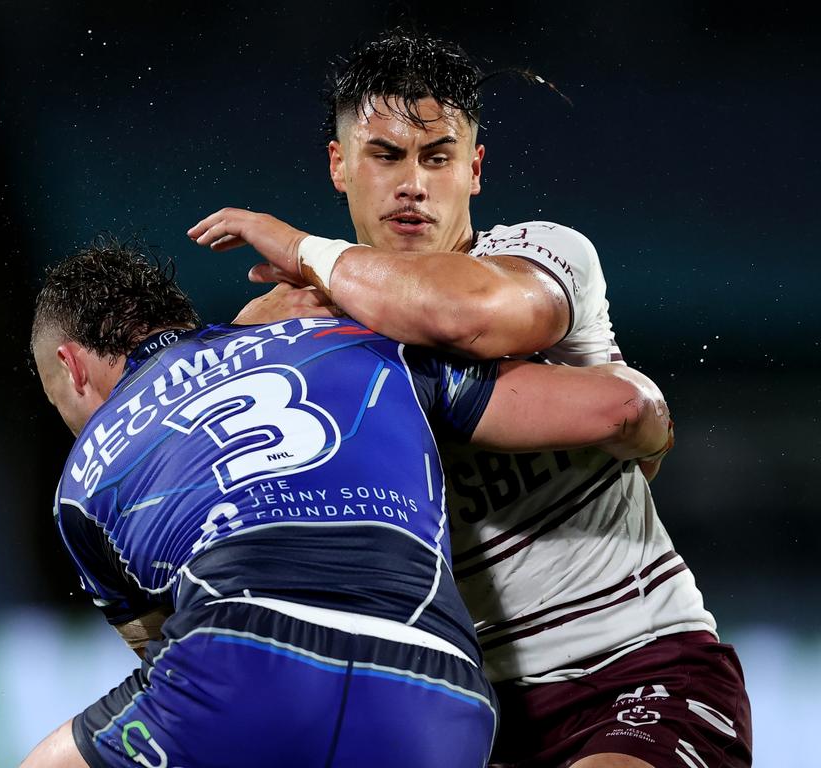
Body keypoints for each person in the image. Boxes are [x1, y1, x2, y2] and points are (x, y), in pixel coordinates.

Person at [187, 29, 752, 768]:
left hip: (633, 669)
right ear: (339, 164)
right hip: (459, 712)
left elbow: (468, 317)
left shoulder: (540, 255)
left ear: (475, 169)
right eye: (386, 156)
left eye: (438, 157)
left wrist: (303, 250)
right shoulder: (289, 334)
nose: (413, 184)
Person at [22, 238, 672, 768]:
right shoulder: (351, 339)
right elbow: (616, 409)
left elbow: (166, 655)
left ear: (72, 367)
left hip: (249, 660)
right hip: (440, 692)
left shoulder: (85, 477)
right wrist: (649, 429)